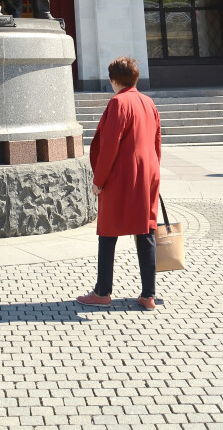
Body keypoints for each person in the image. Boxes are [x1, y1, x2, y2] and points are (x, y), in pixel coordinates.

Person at [77, 56, 161, 311]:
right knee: (146, 231)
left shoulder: (118, 103)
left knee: (108, 232)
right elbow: (156, 143)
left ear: (114, 79)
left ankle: (103, 291)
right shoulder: (149, 103)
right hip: (148, 173)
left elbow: (109, 146)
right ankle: (148, 295)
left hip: (121, 175)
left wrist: (98, 180)